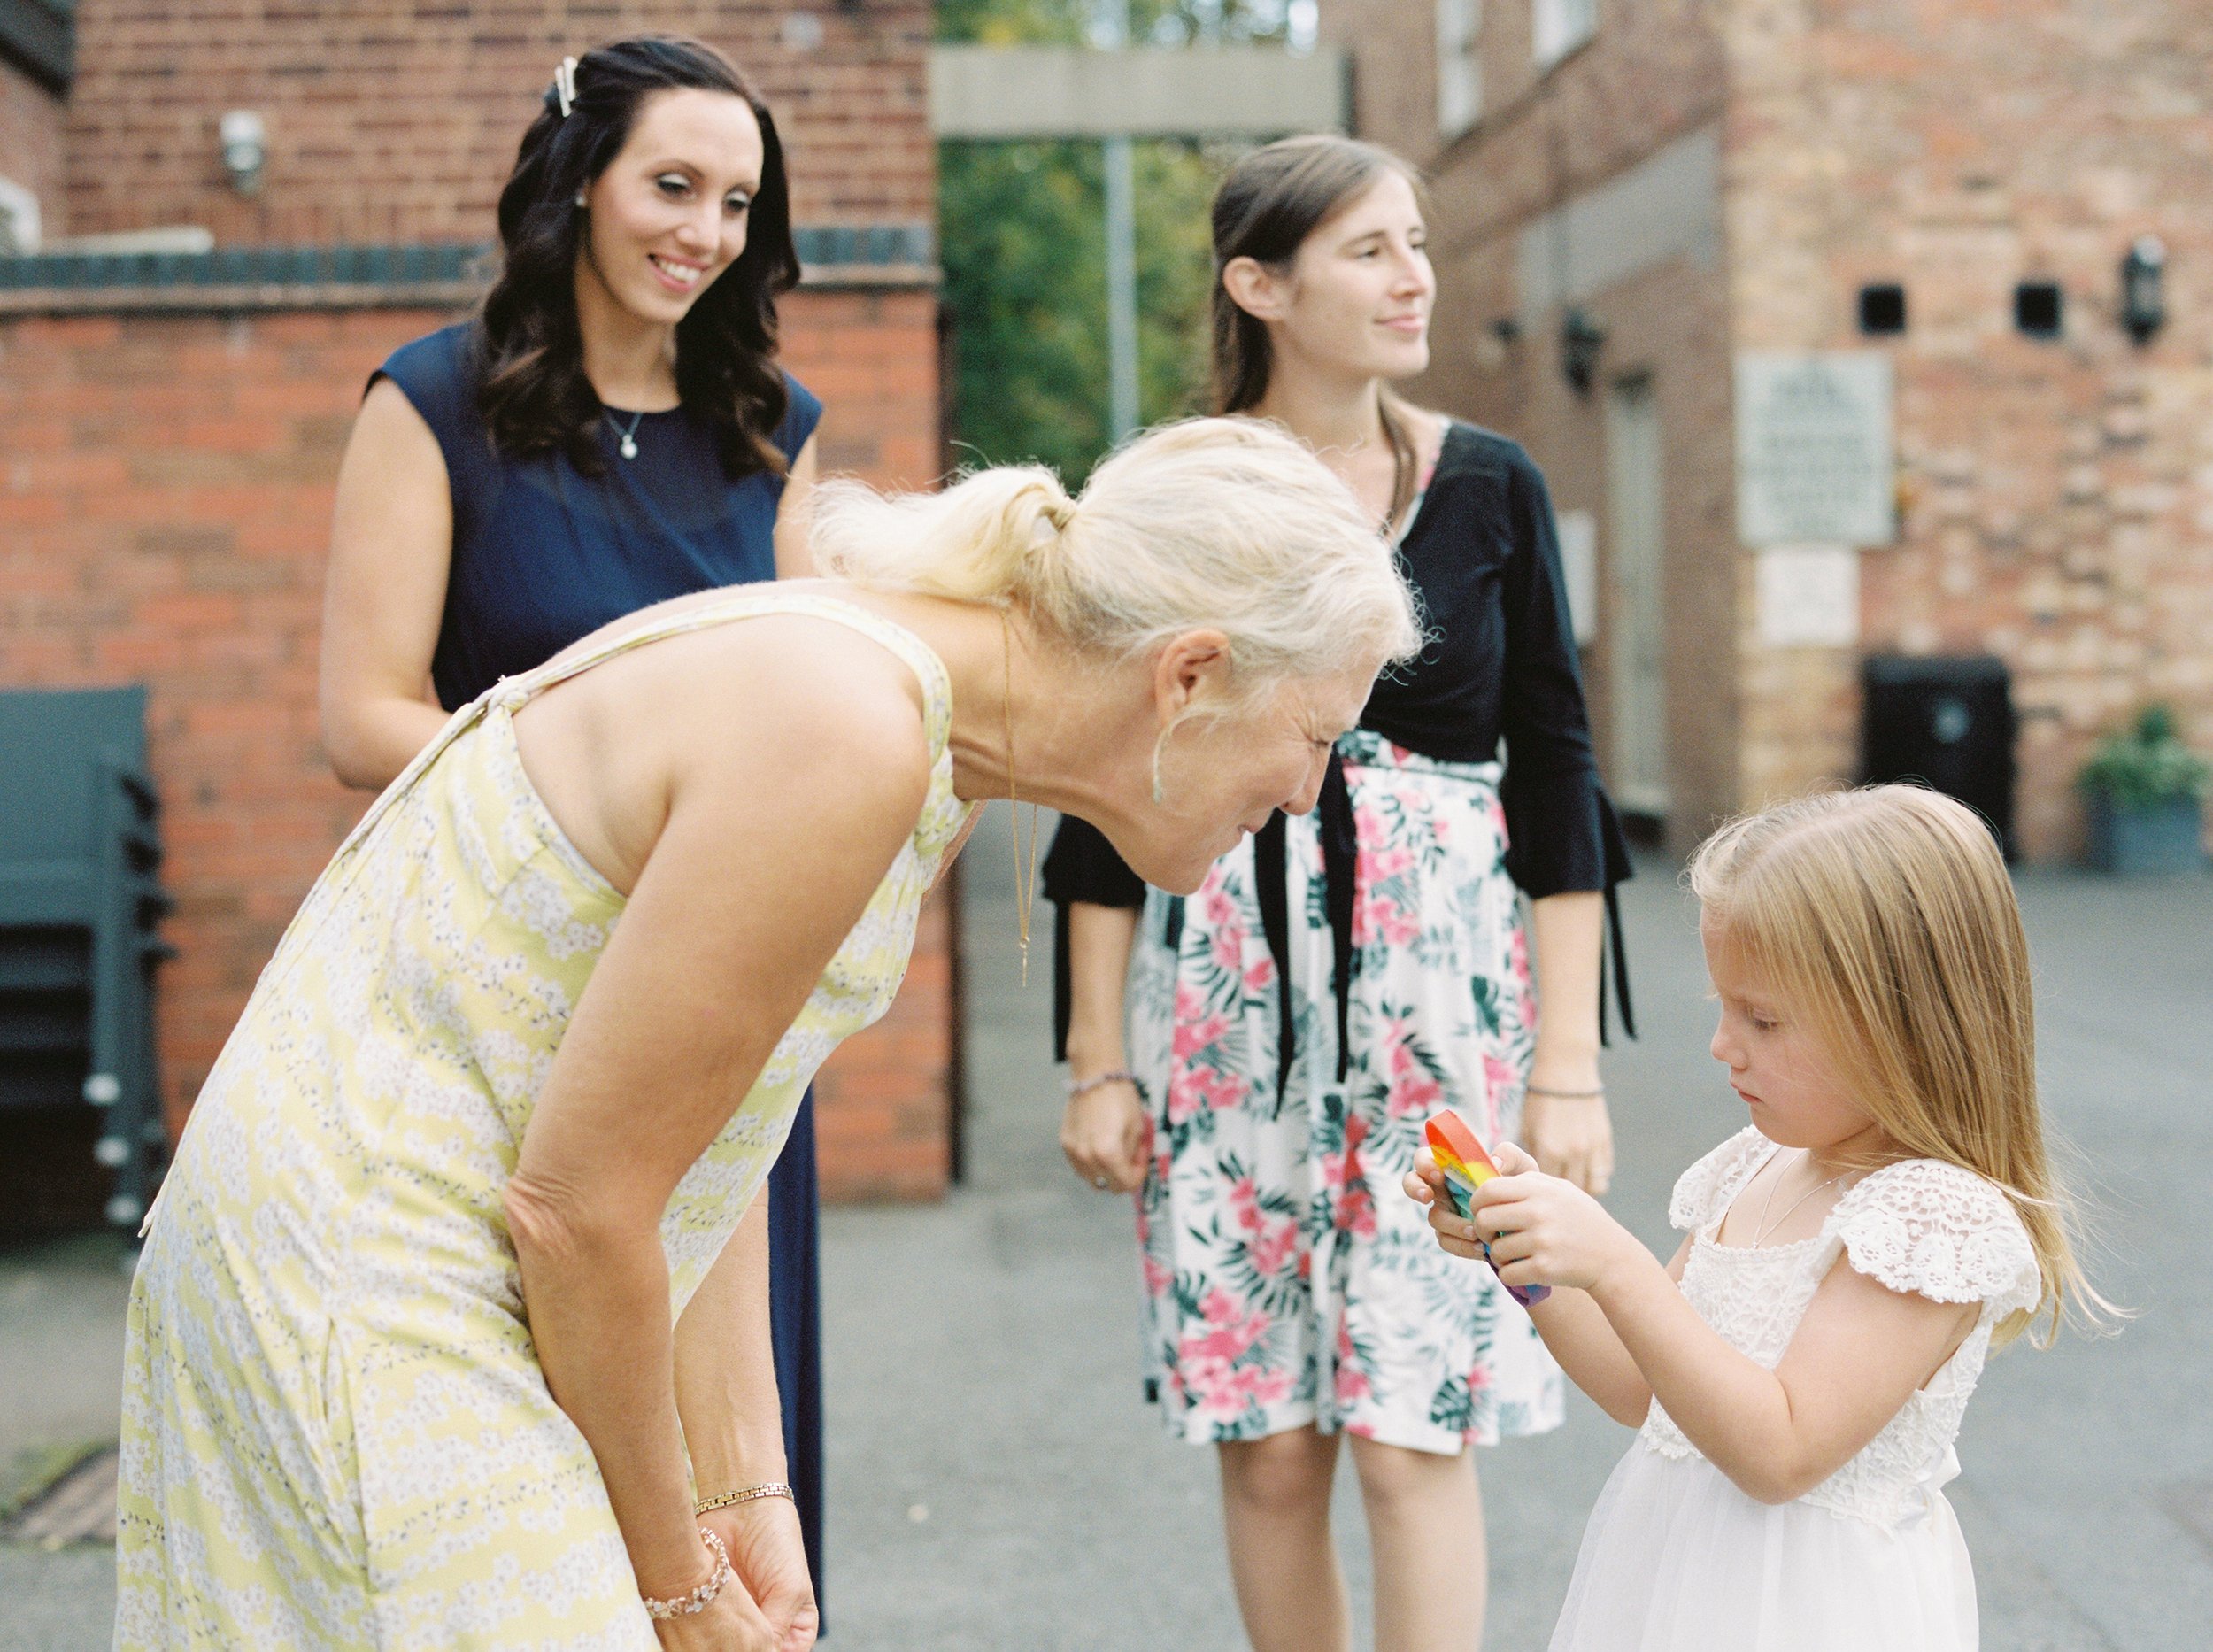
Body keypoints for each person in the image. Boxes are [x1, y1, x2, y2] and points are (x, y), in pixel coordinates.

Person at [114, 417, 1423, 1649]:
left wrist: (743, 1483)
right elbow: (581, 1209)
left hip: (422, 1247)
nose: (1309, 792)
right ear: (1188, 671)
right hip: (357, 1267)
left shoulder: (933, 734)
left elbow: (723, 1109)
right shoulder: (847, 726)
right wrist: (671, 1572)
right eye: (1314, 736)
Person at [1045, 135, 1633, 1651]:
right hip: (1233, 1001)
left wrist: (1566, 1068)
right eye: (1370, 248)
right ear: (1260, 282)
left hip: (1448, 1004)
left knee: (1414, 1422)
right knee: (1272, 1438)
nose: (1413, 274)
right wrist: (1093, 1056)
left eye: (1415, 242)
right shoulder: (1171, 494)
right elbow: (1107, 785)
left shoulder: (1492, 484)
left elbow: (1560, 773)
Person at [313, 36, 836, 1600]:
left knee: (737, 1469)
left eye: (739, 201)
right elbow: (362, 716)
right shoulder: (432, 404)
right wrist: (606, 821)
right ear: (577, 184)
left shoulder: (775, 427)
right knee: (526, 1476)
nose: (706, 231)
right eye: (673, 184)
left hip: (722, 1001)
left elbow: (819, 712)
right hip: (505, 1002)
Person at [1411, 786, 2114, 1651]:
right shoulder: (1757, 1160)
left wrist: (1618, 1265)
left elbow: (1780, 1452)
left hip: (1815, 1612)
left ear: (1901, 1024)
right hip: (1680, 1580)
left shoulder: (1932, 1219)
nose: (1721, 1044)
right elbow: (1646, 1391)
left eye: (1763, 1019)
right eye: (1722, 1008)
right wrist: (1533, 1260)